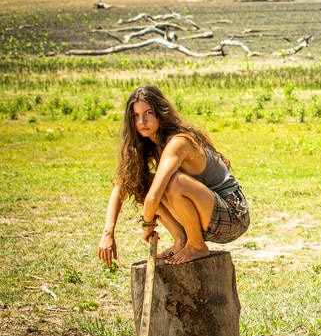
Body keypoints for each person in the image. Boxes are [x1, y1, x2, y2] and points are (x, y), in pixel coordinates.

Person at [97, 85, 249, 267]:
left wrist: (147, 224)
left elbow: (154, 197)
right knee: (139, 179)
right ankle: (181, 240)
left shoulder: (178, 142)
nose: (141, 121)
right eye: (135, 116)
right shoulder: (151, 143)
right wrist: (108, 233)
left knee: (173, 182)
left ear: (161, 112)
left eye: (148, 113)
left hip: (233, 215)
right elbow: (122, 184)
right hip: (208, 213)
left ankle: (196, 245)